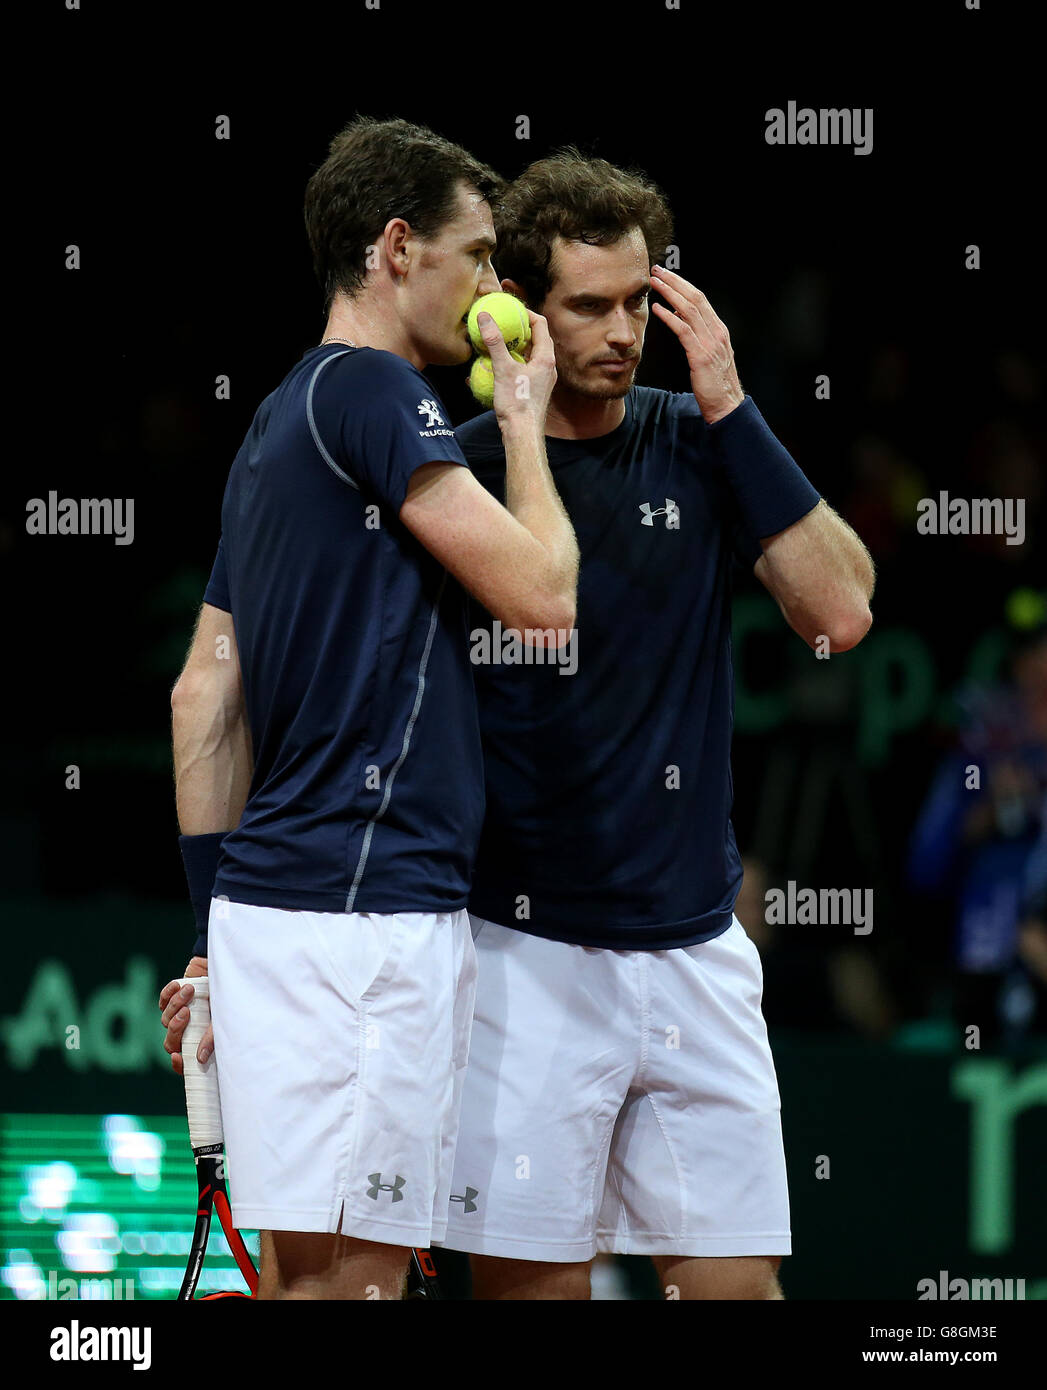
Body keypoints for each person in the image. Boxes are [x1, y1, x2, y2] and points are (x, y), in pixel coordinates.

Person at [433, 149, 875, 1300]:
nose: (623, 330)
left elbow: (841, 609)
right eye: (589, 305)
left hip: (697, 952)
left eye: (638, 300)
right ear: (519, 312)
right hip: (522, 956)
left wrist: (730, 398)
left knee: (737, 1291)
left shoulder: (700, 437)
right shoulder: (462, 478)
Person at [158, 116, 577, 1301]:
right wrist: (525, 422)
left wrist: (210, 928)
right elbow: (546, 595)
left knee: (306, 1280)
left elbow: (203, 696)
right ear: (398, 247)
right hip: (367, 916)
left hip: (277, 915)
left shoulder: (274, 424)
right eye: (481, 253)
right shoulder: (380, 394)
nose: (498, 287)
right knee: (354, 1287)